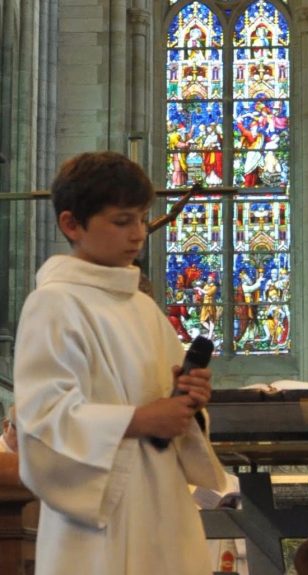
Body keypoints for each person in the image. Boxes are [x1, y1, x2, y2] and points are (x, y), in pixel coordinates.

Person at [13, 151, 227, 575]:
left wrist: (190, 401)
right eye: (122, 221)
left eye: (142, 219)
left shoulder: (143, 309)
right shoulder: (54, 304)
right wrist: (140, 420)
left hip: (162, 504)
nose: (139, 234)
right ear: (71, 224)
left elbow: (170, 409)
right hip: (99, 520)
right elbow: (43, 419)